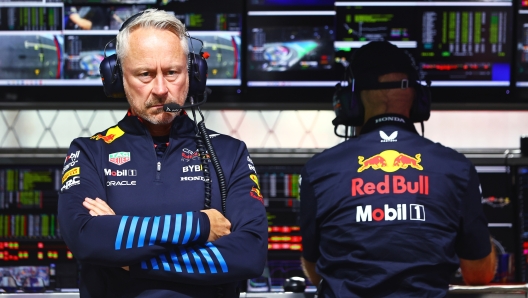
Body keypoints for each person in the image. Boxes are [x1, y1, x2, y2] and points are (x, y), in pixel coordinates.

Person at [57, 9, 267, 297]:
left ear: (193, 73)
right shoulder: (90, 152)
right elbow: (87, 239)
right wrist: (201, 224)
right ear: (118, 77)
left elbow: (248, 255)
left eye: (172, 72)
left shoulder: (230, 153)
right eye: (145, 74)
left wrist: (131, 259)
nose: (160, 89)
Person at [299, 41, 496, 297]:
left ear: (350, 101)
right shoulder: (456, 168)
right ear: (419, 99)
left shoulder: (319, 171)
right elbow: (478, 275)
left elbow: (316, 273)